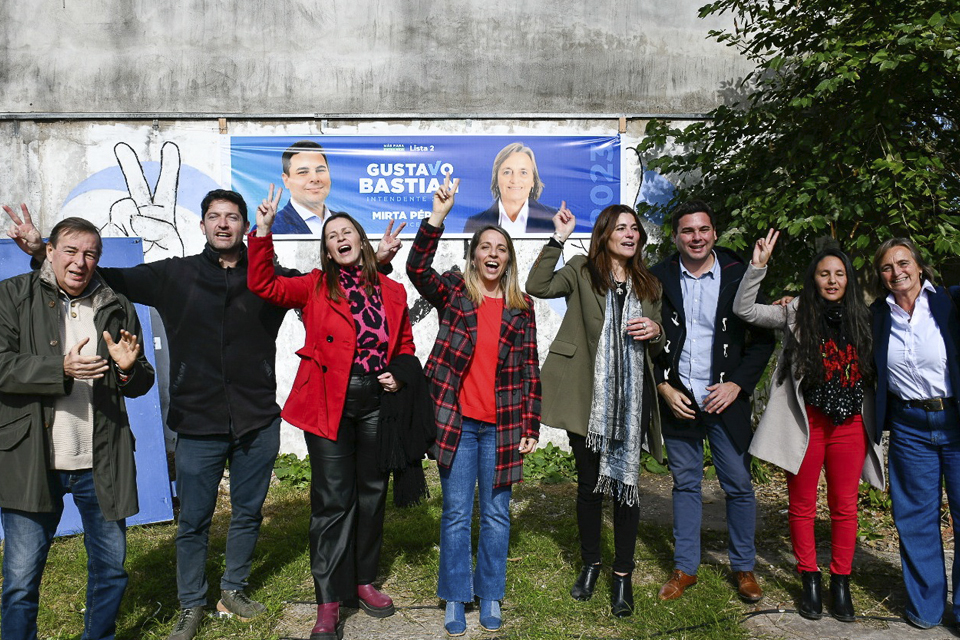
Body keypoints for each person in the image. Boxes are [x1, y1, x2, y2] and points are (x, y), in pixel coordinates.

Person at [4, 192, 402, 640]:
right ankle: (191, 602)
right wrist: (42, 250)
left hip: (257, 419)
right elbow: (102, 274)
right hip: (197, 421)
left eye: (233, 217)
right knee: (193, 521)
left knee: (248, 513)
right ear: (203, 226)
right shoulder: (174, 274)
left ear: (244, 224)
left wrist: (377, 267)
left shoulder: (267, 276)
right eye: (214, 216)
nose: (224, 224)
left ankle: (233, 588)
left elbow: (335, 294)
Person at [248, 185, 415, 640]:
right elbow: (264, 284)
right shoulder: (315, 286)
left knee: (371, 495)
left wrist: (398, 374)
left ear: (360, 240)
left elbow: (403, 345)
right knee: (331, 502)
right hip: (329, 403)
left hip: (376, 404)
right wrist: (261, 233)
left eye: (346, 232)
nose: (339, 238)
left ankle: (362, 580)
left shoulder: (392, 291)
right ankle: (328, 601)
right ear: (326, 249)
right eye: (330, 235)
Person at [0, 214, 154, 640]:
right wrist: (59, 368)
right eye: (70, 250)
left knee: (110, 571)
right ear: (48, 253)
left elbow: (141, 378)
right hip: (33, 458)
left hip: (100, 460)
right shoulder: (12, 296)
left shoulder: (116, 305)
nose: (79, 261)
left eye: (90, 253)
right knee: (19, 581)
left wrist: (128, 372)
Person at [407, 174, 541, 636]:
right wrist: (436, 218)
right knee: (458, 513)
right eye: (485, 247)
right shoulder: (454, 292)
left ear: (508, 259)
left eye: (500, 249)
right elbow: (416, 270)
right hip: (458, 424)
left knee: (497, 514)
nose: (492, 254)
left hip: (502, 426)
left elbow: (530, 370)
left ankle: (491, 595)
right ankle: (455, 597)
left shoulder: (522, 307)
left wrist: (532, 425)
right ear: (474, 255)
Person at [733, 230, 884, 621]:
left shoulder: (865, 316)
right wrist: (758, 267)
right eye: (823, 274)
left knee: (844, 508)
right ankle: (810, 581)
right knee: (801, 507)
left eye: (839, 274)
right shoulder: (795, 310)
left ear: (848, 279)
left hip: (849, 424)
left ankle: (841, 583)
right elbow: (746, 310)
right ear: (812, 279)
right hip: (806, 425)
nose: (832, 280)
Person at [525, 203, 664, 617]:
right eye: (620, 228)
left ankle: (622, 576)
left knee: (626, 489)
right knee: (589, 486)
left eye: (634, 228)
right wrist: (558, 238)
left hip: (630, 401)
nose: (629, 234)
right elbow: (537, 285)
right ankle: (590, 564)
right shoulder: (583, 270)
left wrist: (655, 330)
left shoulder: (650, 284)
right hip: (586, 396)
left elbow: (657, 342)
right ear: (604, 234)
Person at [650, 200, 775, 603]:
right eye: (687, 231)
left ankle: (744, 568)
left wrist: (737, 385)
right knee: (686, 484)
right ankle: (686, 567)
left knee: (738, 486)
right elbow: (641, 339)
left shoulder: (740, 274)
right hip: (681, 398)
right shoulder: (657, 278)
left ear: (715, 234)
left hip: (725, 398)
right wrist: (662, 387)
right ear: (675, 237)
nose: (696, 237)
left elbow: (762, 340)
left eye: (703, 230)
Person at [871, 238, 960, 630]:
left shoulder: (950, 303)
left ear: (919, 267)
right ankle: (926, 607)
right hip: (909, 427)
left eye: (904, 263)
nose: (897, 272)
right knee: (915, 519)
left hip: (955, 421)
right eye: (887, 267)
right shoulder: (876, 315)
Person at [462, 142, 557, 235]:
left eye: (523, 172)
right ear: (496, 179)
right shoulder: (474, 224)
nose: (515, 180)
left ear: (533, 181)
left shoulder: (554, 219)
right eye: (507, 172)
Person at [268, 140, 345, 234]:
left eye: (320, 170)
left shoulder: (346, 224)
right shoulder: (270, 228)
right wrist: (263, 230)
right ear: (286, 180)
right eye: (303, 172)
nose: (315, 178)